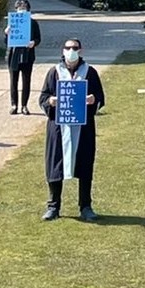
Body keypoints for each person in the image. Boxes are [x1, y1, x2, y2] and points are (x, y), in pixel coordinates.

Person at [40, 37, 104, 221]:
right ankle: (53, 206)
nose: (71, 50)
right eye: (68, 48)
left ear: (80, 50)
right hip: (58, 128)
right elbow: (43, 97)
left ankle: (85, 206)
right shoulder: (54, 72)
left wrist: (93, 100)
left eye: (75, 47)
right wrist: (50, 101)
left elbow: (100, 96)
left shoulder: (89, 72)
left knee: (84, 165)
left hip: (83, 128)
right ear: (63, 50)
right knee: (55, 165)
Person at [6, 0, 41, 115]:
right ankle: (14, 105)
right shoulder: (12, 23)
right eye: (19, 8)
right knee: (13, 82)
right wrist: (7, 33)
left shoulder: (33, 23)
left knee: (26, 81)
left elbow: (38, 38)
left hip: (27, 55)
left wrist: (33, 43)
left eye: (24, 9)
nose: (22, 11)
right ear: (16, 10)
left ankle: (24, 105)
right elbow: (6, 42)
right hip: (13, 55)